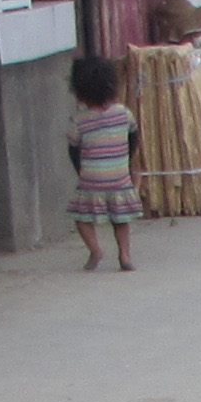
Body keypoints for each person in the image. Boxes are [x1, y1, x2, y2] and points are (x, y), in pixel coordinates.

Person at [63, 51, 136, 271]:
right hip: (119, 175)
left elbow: (74, 149)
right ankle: (124, 255)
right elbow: (134, 137)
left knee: (81, 217)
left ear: (79, 92)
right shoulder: (123, 114)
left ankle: (95, 250)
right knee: (120, 218)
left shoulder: (78, 120)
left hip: (91, 178)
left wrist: (82, 171)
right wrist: (125, 161)